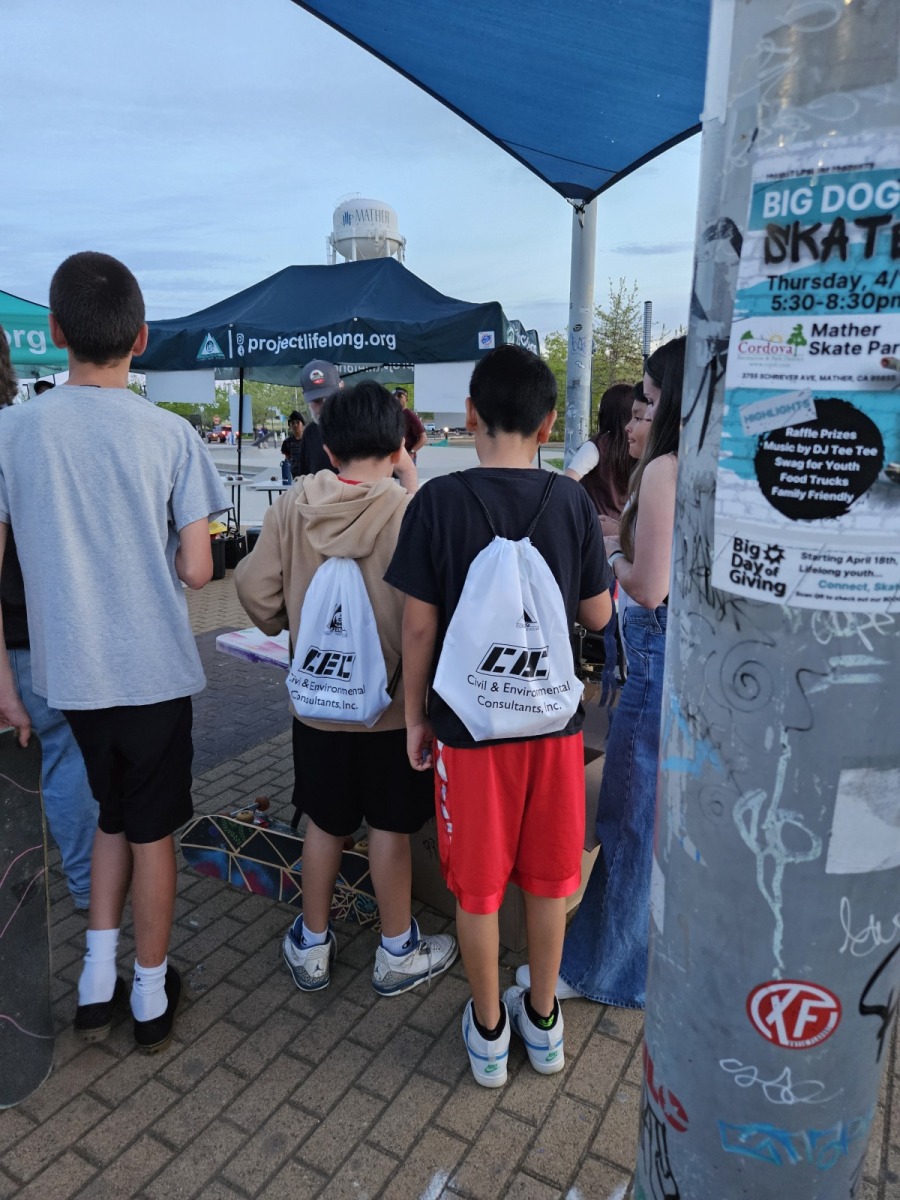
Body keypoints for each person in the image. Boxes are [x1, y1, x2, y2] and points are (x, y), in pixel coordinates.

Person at [0, 251, 228, 1053]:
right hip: (153, 672)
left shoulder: (13, 431)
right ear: (141, 338)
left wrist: (5, 684)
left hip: (69, 674)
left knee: (108, 814)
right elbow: (197, 570)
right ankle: (150, 990)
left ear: (57, 332)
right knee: (152, 831)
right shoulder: (170, 434)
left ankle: (96, 980)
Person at [385, 344, 612, 1087]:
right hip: (551, 729)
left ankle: (488, 1034)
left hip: (467, 731)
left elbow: (419, 627)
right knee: (548, 881)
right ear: (548, 423)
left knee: (479, 890)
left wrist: (416, 717)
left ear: (470, 414)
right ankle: (543, 1023)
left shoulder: (437, 502)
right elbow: (598, 616)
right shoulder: (571, 503)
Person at [234, 381, 457, 997]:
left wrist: (286, 621)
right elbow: (430, 615)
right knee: (388, 827)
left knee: (325, 822)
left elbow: (252, 588)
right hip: (393, 713)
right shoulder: (410, 511)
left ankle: (311, 944)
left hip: (317, 708)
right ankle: (397, 949)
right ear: (398, 445)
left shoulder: (292, 506)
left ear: (328, 449)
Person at [518, 335, 686, 1011]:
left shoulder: (667, 468)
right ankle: (626, 956)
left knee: (629, 819)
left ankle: (602, 971)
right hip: (681, 653)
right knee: (649, 818)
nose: (637, 418)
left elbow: (647, 585)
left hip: (653, 649)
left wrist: (606, 560)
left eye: (648, 401)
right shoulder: (710, 460)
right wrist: (618, 538)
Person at [0, 335, 94, 911]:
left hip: (30, 636)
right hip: (37, 635)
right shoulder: (28, 433)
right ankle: (86, 886)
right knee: (66, 758)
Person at [564, 382, 634, 536]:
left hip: (596, 528)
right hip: (625, 531)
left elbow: (567, 482)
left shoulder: (597, 446)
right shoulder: (637, 446)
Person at [296, 360, 342, 476]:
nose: (324, 406)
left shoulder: (359, 426)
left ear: (341, 388)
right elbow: (304, 477)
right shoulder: (309, 433)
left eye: (330, 398)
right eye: (317, 401)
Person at [393, 387, 427, 463]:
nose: (396, 398)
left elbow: (423, 438)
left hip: (406, 458)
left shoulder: (411, 416)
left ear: (406, 399)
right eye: (394, 396)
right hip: (393, 457)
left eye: (400, 396)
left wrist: (412, 452)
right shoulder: (391, 415)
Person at [281, 410, 305, 482]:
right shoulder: (287, 442)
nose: (295, 425)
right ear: (289, 426)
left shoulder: (309, 440)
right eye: (292, 423)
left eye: (298, 422)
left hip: (308, 476)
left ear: (303, 425)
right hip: (294, 476)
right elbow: (287, 461)